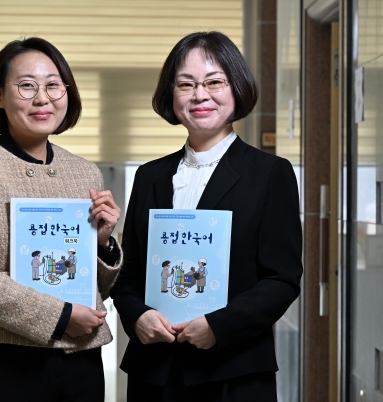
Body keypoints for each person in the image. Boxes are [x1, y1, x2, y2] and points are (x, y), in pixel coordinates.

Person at [110, 31, 303, 401]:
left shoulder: (270, 173)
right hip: (155, 371)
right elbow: (128, 272)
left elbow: (282, 279)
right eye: (186, 84)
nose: (200, 95)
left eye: (214, 82)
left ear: (237, 88)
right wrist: (137, 317)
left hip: (234, 371)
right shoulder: (150, 176)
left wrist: (217, 326)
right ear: (171, 95)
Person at [0, 37, 123, 402]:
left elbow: (93, 287)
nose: (43, 98)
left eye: (53, 85)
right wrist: (62, 315)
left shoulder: (84, 172)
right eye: (26, 85)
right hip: (7, 360)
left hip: (81, 359)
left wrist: (102, 243)